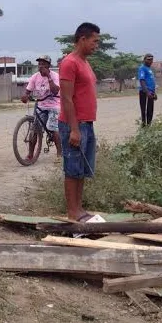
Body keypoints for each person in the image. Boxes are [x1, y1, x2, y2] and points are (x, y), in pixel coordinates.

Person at [59, 22, 100, 221]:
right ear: (82, 39)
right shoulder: (69, 63)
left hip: (87, 123)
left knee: (82, 169)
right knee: (72, 168)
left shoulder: (85, 62)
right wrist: (74, 130)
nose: (96, 45)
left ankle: (79, 208)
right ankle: (72, 211)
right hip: (73, 125)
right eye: (94, 41)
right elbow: (66, 99)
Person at [21, 55, 61, 158]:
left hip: (54, 104)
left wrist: (48, 77)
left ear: (48, 66)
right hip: (41, 105)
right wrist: (25, 96)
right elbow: (28, 91)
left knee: (53, 128)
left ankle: (59, 154)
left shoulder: (55, 76)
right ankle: (30, 154)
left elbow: (55, 90)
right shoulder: (35, 77)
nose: (40, 66)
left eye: (43, 64)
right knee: (34, 129)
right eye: (39, 64)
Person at [137, 54, 157, 126]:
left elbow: (151, 82)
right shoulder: (142, 68)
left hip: (151, 92)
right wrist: (147, 92)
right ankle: (144, 126)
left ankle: (149, 126)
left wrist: (154, 93)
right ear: (144, 60)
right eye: (148, 59)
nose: (150, 61)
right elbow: (142, 81)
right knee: (144, 110)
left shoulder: (150, 69)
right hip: (144, 92)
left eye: (151, 59)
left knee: (150, 110)